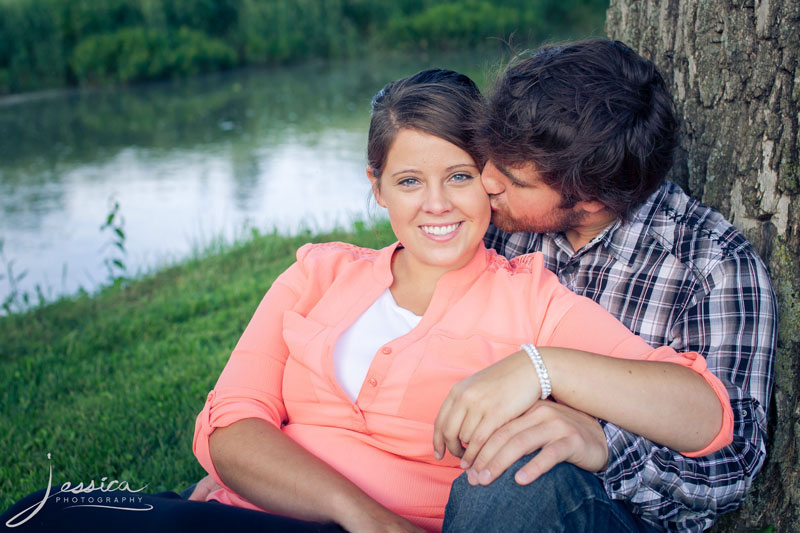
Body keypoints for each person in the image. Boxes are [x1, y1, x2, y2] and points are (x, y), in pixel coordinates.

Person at [183, 67, 733, 533]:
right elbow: (227, 429)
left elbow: (706, 414)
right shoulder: (318, 272)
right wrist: (365, 517)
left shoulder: (532, 297)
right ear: (377, 188)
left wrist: (541, 368)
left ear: (489, 181)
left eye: (459, 176)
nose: (437, 205)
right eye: (408, 182)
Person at [439, 39, 778, 532]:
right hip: (464, 485)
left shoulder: (711, 267)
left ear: (592, 198)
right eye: (489, 157)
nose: (485, 180)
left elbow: (733, 466)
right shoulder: (493, 224)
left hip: (615, 512)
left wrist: (602, 445)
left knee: (525, 477)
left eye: (513, 178)